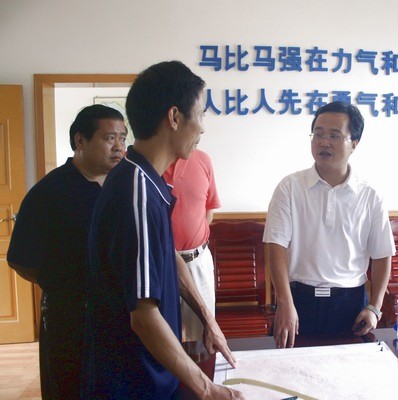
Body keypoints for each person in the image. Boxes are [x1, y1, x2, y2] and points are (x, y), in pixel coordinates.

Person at [82, 61, 244, 400]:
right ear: (174, 117)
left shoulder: (144, 181)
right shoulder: (137, 193)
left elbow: (167, 257)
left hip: (150, 374)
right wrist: (208, 390)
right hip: (134, 381)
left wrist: (208, 320)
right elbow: (144, 318)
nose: (202, 128)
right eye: (200, 115)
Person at [7, 104, 127, 400]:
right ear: (80, 141)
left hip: (116, 312)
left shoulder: (121, 186)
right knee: (69, 387)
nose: (119, 146)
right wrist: (64, 285)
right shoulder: (49, 192)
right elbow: (21, 260)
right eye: (109, 138)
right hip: (69, 316)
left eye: (122, 138)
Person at [263, 101, 395, 349]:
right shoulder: (290, 187)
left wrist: (374, 308)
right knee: (290, 369)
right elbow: (275, 245)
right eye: (318, 134)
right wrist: (285, 302)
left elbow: (382, 255)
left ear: (354, 143)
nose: (324, 142)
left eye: (334, 135)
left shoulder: (370, 196)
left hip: (350, 306)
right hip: (298, 301)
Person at [163, 149, 221, 342]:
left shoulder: (203, 160)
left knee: (202, 336)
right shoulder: (148, 162)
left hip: (197, 262)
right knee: (164, 337)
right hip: (161, 263)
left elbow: (209, 209)